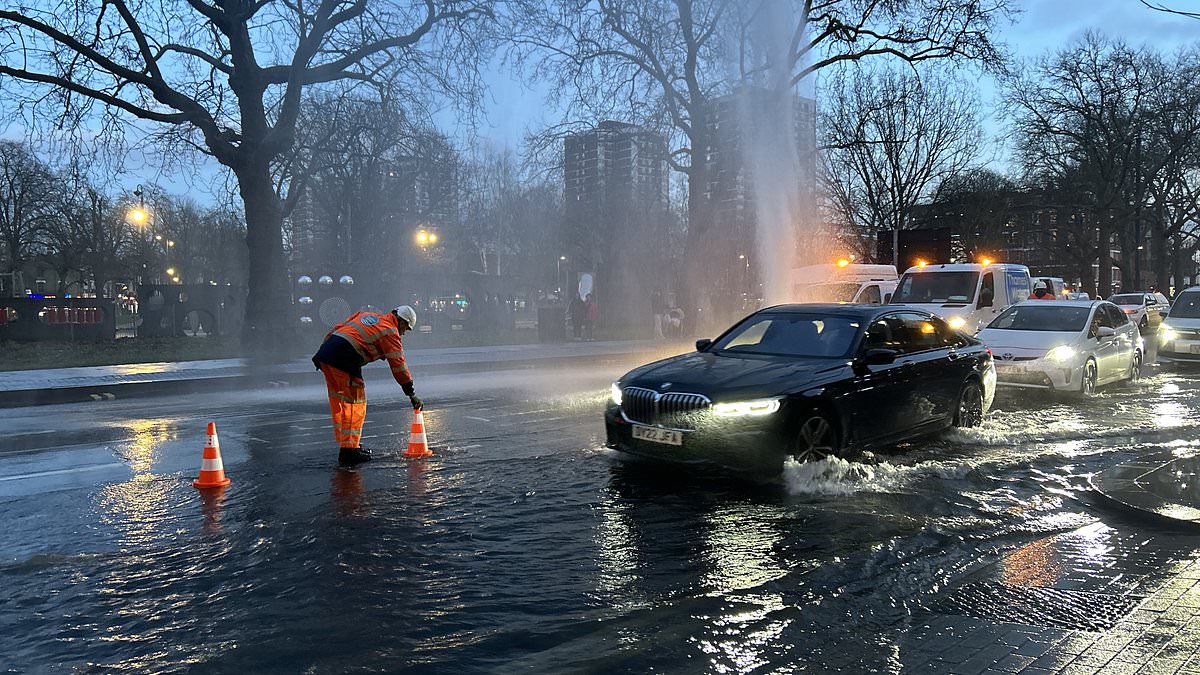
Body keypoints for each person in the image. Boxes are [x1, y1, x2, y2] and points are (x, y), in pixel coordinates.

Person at [312, 305, 423, 465]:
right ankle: (349, 452)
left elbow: (339, 328)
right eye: (406, 328)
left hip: (327, 355)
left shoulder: (369, 316)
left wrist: (321, 351)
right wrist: (411, 393)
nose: (404, 332)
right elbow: (399, 366)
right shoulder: (390, 331)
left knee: (340, 401)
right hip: (344, 359)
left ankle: (349, 446)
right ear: (401, 321)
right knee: (355, 404)